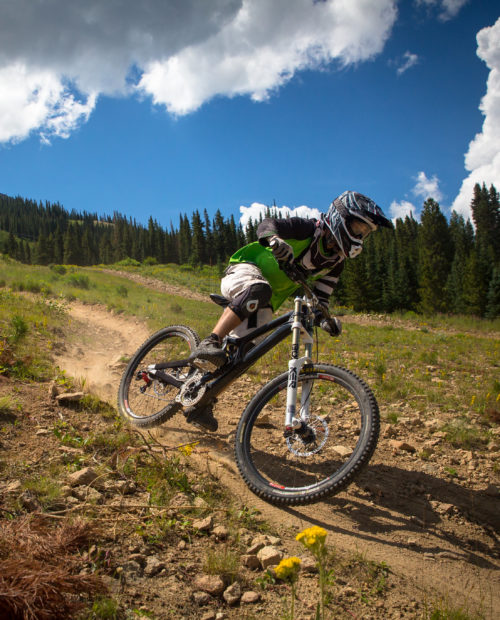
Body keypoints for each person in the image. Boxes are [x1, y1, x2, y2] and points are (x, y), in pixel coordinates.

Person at [187, 191, 393, 431]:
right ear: (342, 219)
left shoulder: (336, 262)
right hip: (245, 271)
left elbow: (321, 298)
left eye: (365, 233)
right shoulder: (309, 229)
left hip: (265, 302)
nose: (360, 237)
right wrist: (274, 240)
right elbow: (266, 225)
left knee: (243, 355)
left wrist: (326, 320)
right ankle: (211, 341)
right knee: (259, 289)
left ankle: (202, 401)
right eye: (359, 228)